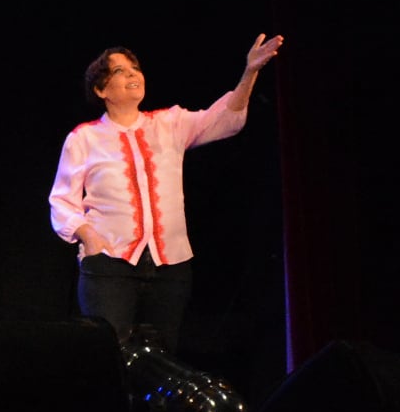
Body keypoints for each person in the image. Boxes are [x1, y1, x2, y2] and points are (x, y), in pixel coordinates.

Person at [46, 33, 282, 348]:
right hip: (110, 263)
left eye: (135, 68)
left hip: (170, 265)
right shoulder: (84, 138)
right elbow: (62, 201)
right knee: (109, 353)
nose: (133, 75)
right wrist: (90, 237)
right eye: (120, 71)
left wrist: (249, 72)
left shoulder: (169, 123)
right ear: (101, 90)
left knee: (163, 356)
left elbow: (225, 120)